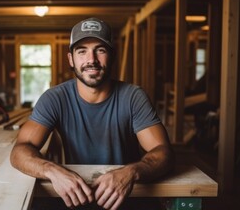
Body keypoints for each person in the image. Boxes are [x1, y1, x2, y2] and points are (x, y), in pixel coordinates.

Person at [10, 17, 175, 210]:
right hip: (79, 197)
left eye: (100, 50)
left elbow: (164, 152)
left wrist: (132, 171)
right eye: (82, 51)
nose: (91, 60)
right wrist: (52, 170)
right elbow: (20, 150)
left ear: (112, 56)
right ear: (71, 59)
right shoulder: (55, 98)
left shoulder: (133, 97)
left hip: (127, 197)